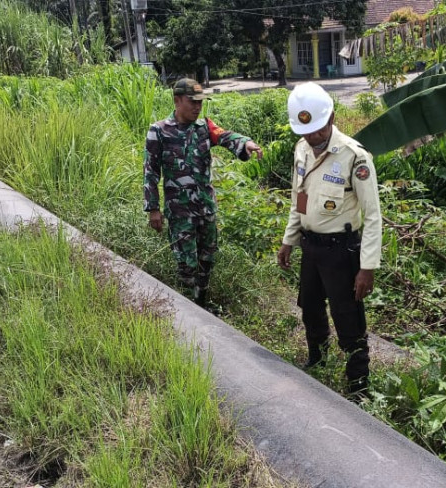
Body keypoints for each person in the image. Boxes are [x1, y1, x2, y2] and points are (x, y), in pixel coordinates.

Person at [276, 82, 382, 399]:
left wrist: (367, 268)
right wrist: (289, 240)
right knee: (310, 308)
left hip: (341, 251)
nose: (312, 137)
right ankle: (317, 361)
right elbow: (301, 198)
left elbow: (373, 216)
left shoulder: (354, 156)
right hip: (311, 247)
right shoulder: (302, 150)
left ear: (332, 118)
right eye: (306, 132)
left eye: (318, 130)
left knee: (348, 318)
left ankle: (358, 387)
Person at [144, 78, 263, 308]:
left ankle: (201, 304)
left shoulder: (204, 127)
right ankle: (189, 312)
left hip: (206, 209)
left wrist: (245, 143)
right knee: (186, 266)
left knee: (206, 260)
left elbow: (225, 136)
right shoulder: (159, 131)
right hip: (180, 213)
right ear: (177, 100)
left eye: (200, 102)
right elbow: (150, 172)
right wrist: (153, 209)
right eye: (192, 101)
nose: (198, 106)